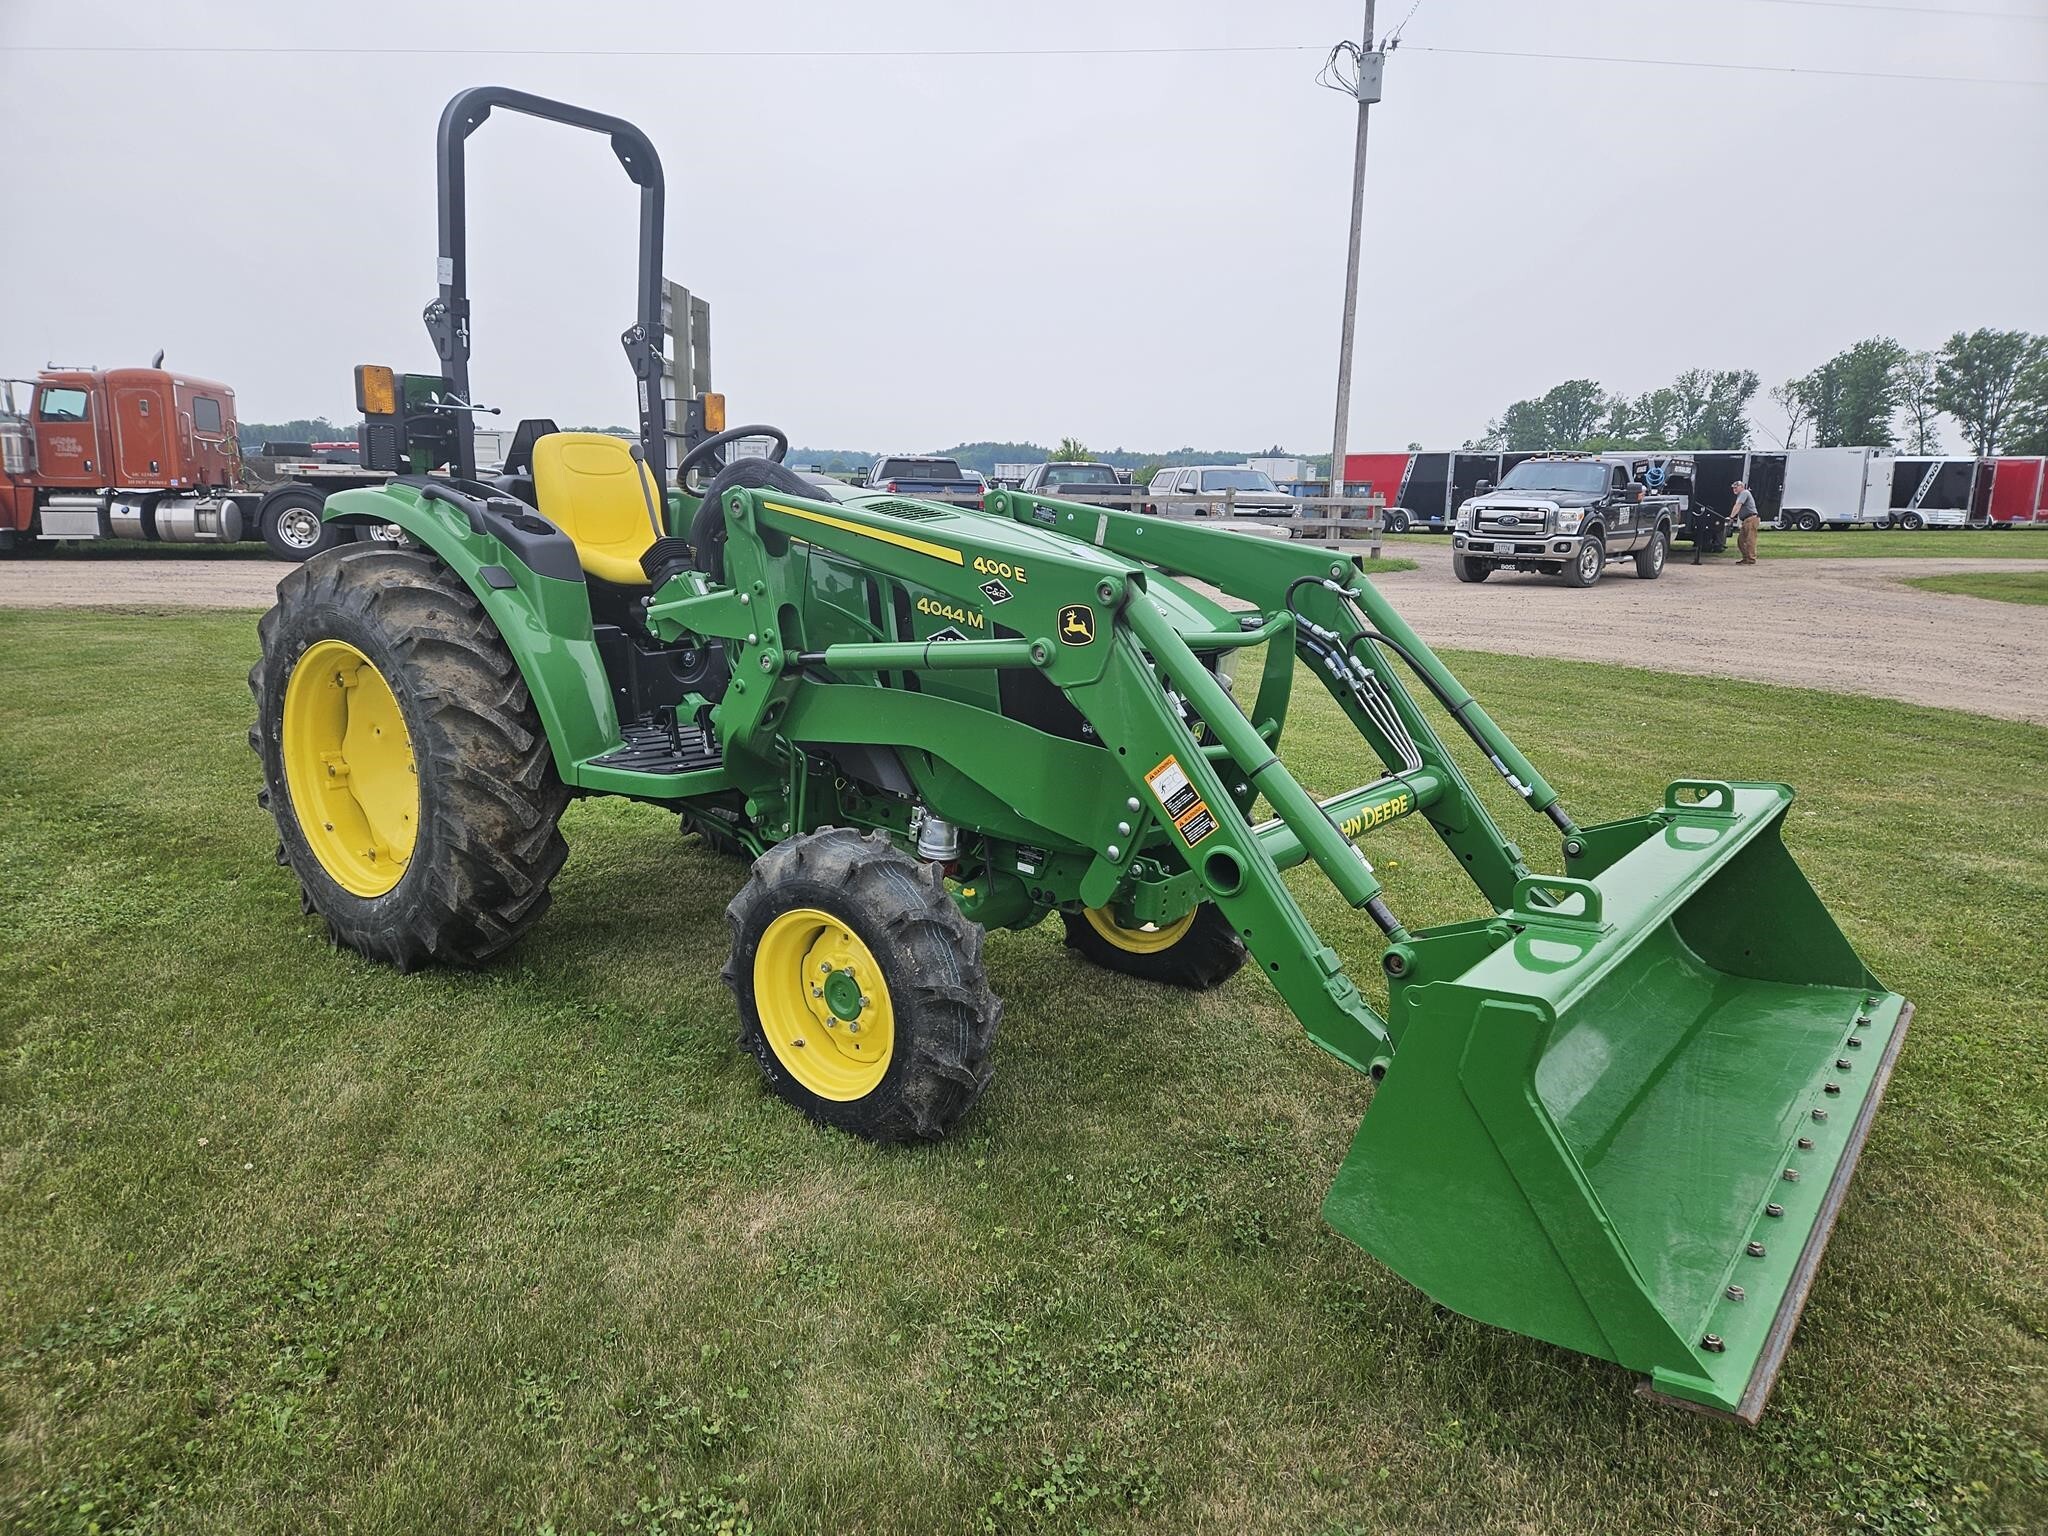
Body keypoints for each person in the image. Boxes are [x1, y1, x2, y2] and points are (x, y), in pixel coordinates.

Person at [1731, 479, 1760, 565]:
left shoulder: (1744, 493)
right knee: (1741, 541)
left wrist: (1731, 517)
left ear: (1742, 487)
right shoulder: (1742, 494)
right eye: (1733, 488)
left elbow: (1738, 506)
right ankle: (1746, 558)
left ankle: (1751, 559)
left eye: (1736, 487)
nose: (1734, 489)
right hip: (1746, 520)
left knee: (1750, 540)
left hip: (1751, 519)